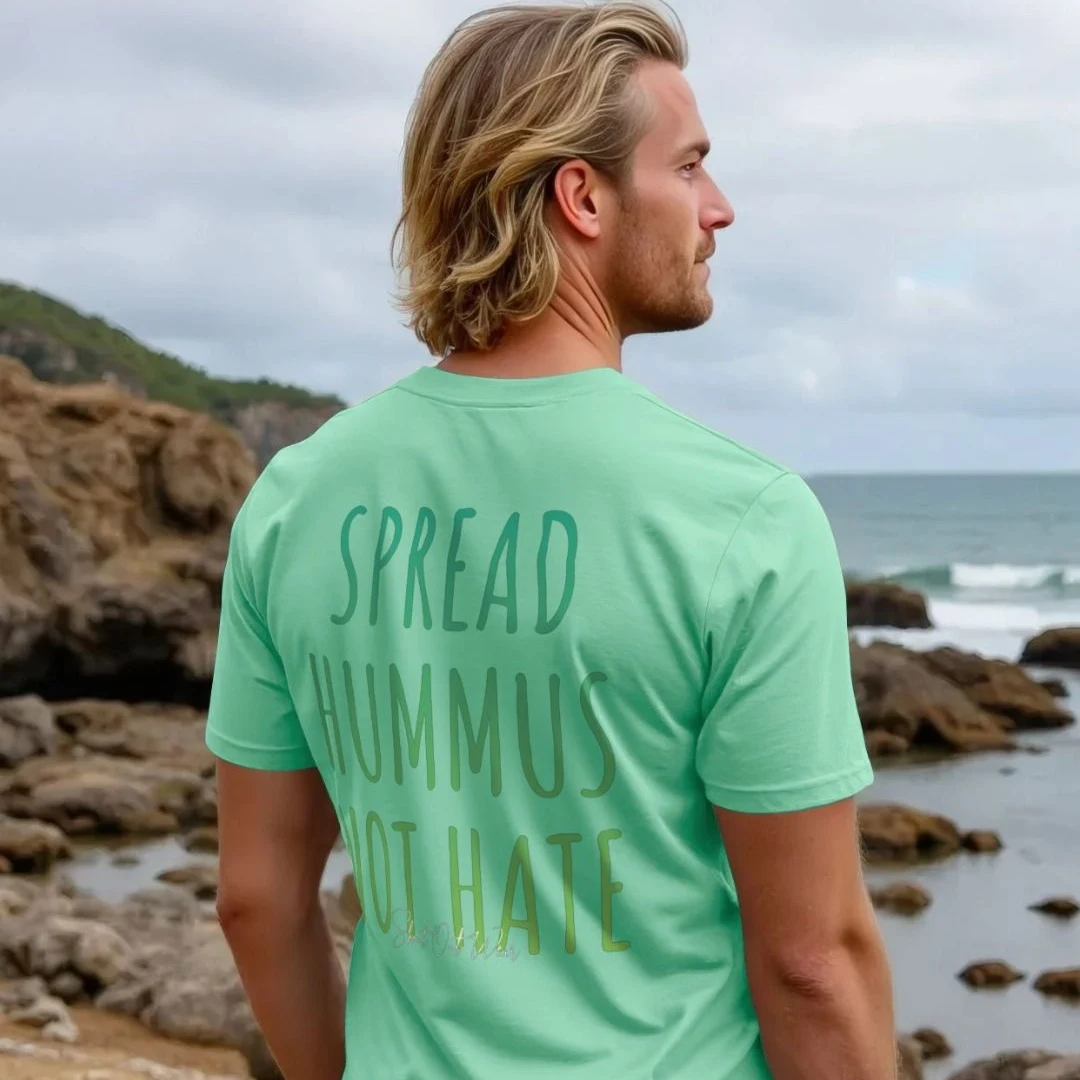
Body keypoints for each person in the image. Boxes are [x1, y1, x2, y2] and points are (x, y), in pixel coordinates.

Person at [205, 3, 898, 1079]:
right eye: (690, 167)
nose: (720, 207)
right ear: (582, 196)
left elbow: (256, 899)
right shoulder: (743, 517)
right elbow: (813, 962)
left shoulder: (294, 499)